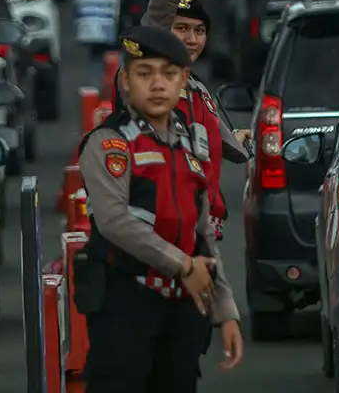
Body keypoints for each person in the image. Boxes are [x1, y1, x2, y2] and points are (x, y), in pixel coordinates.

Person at [76, 25, 244, 391]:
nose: (157, 84)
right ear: (124, 81)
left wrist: (225, 313)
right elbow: (114, 222)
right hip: (125, 304)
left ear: (183, 80)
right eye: (144, 73)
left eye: (168, 74)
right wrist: (183, 266)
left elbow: (204, 236)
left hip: (182, 309)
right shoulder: (110, 143)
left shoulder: (190, 143)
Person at [141, 0, 252, 240]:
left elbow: (216, 139)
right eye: (182, 29)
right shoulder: (156, 83)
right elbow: (158, 17)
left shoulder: (197, 89)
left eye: (199, 30)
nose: (192, 38)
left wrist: (240, 142)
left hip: (203, 237)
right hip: (168, 237)